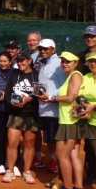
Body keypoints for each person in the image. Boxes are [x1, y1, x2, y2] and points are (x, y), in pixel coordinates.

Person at [49, 52, 86, 189]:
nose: (64, 64)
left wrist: (53, 98)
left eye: (68, 61)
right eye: (63, 61)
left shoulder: (75, 75)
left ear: (75, 63)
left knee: (62, 156)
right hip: (70, 121)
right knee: (73, 156)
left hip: (69, 122)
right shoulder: (71, 76)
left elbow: (71, 97)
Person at [2, 52, 39, 184]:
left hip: (31, 115)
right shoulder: (14, 74)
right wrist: (13, 102)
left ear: (29, 61)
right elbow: (7, 94)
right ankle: (10, 171)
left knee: (29, 144)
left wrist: (30, 99)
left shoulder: (36, 75)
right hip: (15, 114)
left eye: (23, 61)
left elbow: (39, 94)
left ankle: (27, 171)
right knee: (12, 143)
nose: (20, 63)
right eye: (18, 61)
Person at [36, 39, 65, 173]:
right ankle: (53, 161)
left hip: (55, 110)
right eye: (41, 49)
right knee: (49, 138)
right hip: (44, 108)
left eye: (46, 49)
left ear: (53, 49)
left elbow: (64, 85)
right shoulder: (43, 62)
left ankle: (57, 163)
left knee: (55, 139)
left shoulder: (59, 63)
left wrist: (52, 97)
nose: (43, 51)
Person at [78, 25, 96, 185]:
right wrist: (84, 106)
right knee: (89, 147)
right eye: (87, 36)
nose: (89, 39)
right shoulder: (81, 55)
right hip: (87, 110)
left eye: (93, 36)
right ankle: (92, 175)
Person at [79, 52, 96, 189]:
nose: (93, 64)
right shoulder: (85, 78)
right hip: (91, 124)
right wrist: (83, 108)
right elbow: (80, 97)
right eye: (91, 62)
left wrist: (94, 106)